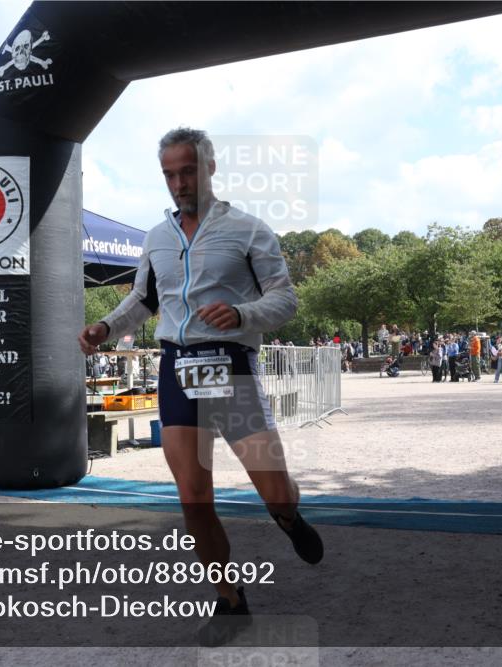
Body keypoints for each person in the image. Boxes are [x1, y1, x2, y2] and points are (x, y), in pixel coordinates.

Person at [77, 128, 321, 645]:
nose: (178, 183)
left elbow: (285, 299)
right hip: (177, 369)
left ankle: (288, 515)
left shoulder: (248, 230)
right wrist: (104, 327)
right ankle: (230, 601)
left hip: (231, 367)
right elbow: (143, 301)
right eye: (169, 174)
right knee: (193, 496)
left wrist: (242, 314)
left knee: (275, 491)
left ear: (210, 168)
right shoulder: (156, 238)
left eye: (187, 171)